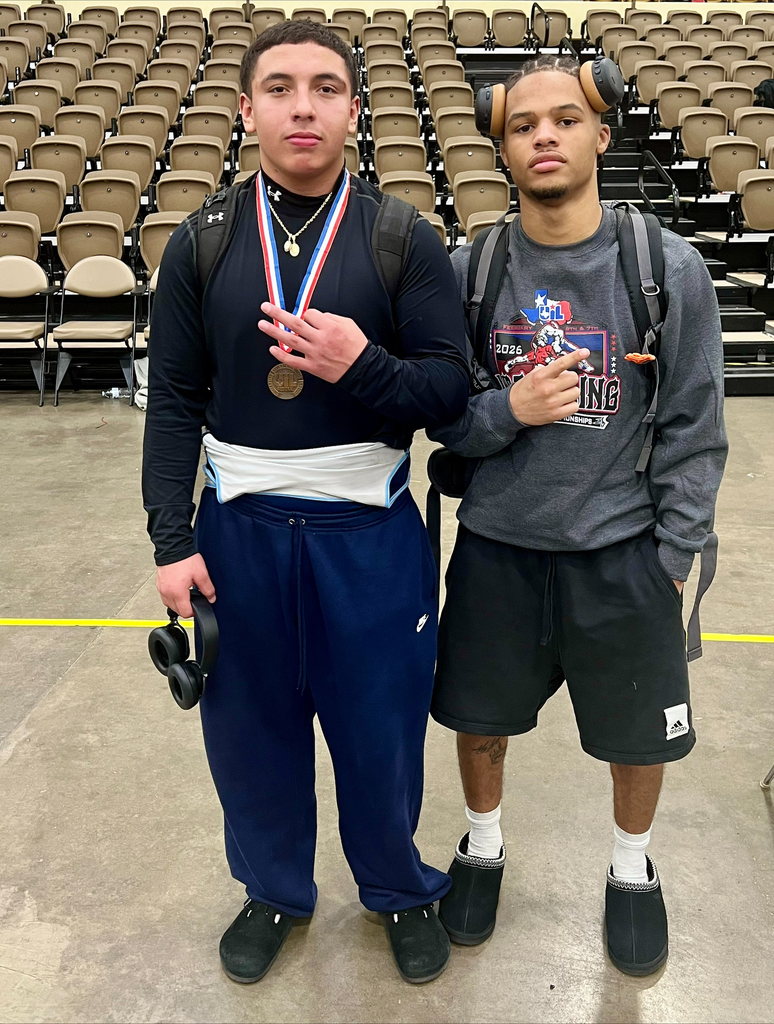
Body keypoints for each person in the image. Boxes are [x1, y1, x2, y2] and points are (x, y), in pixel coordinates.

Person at [141, 20, 469, 985]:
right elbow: (173, 412)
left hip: (368, 535)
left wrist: (358, 365)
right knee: (250, 736)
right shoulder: (199, 246)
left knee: (380, 730)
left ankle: (398, 887)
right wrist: (170, 539)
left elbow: (448, 393)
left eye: (326, 88)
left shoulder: (403, 237)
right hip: (236, 537)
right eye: (279, 88)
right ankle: (274, 889)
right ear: (246, 109)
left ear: (354, 113)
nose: (302, 106)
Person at [428, 55, 728, 976]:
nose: (545, 136)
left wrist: (671, 556)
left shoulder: (663, 268)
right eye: (523, 126)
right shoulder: (466, 272)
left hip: (621, 554)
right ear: (501, 145)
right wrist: (504, 413)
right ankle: (482, 845)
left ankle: (631, 868)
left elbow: (693, 427)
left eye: (564, 120)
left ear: (601, 134)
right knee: (479, 721)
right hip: (497, 552)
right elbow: (440, 419)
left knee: (637, 736)